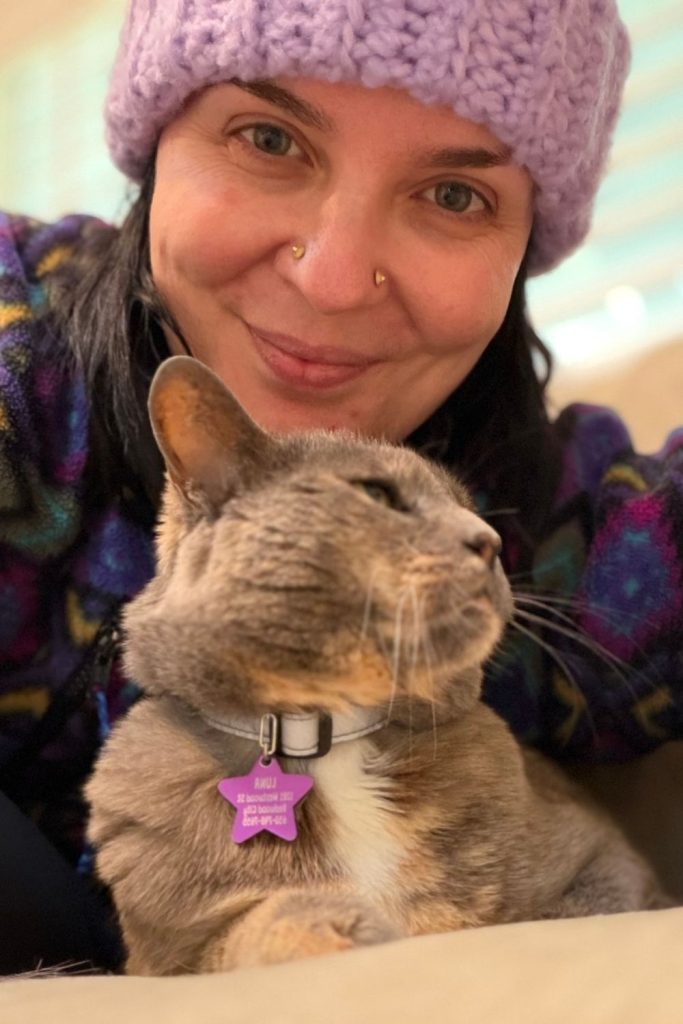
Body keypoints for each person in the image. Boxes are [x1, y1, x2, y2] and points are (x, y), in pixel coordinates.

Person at [1, 0, 681, 974]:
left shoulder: (570, 529)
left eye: (454, 195)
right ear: (156, 148)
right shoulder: (18, 345)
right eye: (268, 137)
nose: (330, 278)